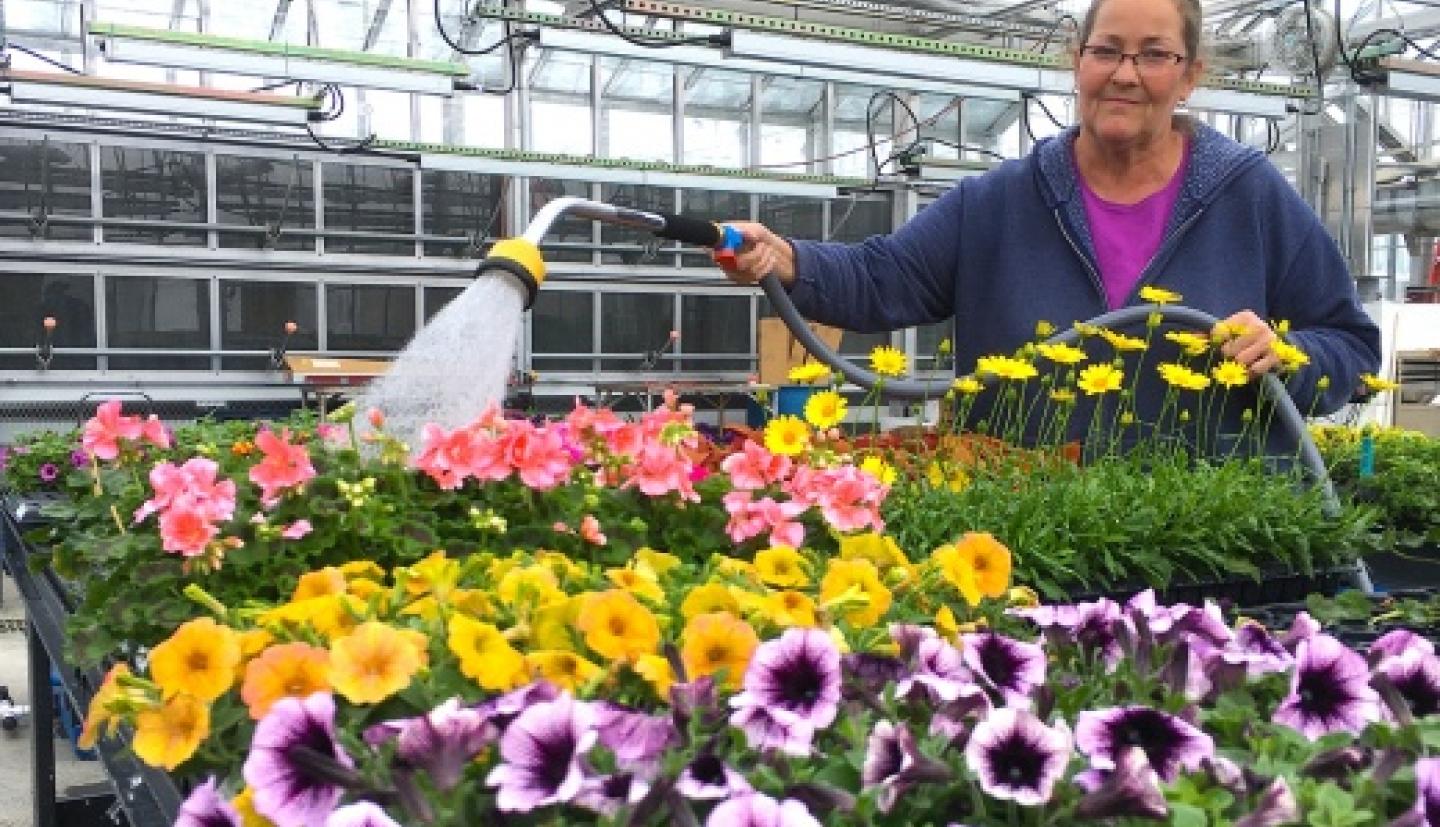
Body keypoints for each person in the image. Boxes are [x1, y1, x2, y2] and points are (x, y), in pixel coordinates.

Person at [718, 0, 1381, 455]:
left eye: (1154, 55)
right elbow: (883, 276)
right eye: (1106, 51)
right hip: (1027, 529)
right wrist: (787, 258)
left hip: (1205, 542)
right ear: (1078, 62)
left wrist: (1288, 357)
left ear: (1190, 76)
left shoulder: (1249, 196)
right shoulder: (1001, 201)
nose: (1125, 74)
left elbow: (1350, 346)